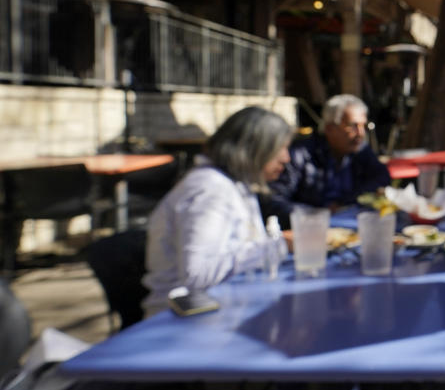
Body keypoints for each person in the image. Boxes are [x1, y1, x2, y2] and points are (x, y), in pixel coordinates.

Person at [141, 106, 292, 316]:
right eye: (279, 149)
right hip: (183, 320)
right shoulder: (210, 190)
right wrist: (279, 246)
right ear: (253, 149)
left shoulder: (235, 185)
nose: (286, 158)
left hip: (222, 308)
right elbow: (196, 275)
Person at [263, 94, 390, 228]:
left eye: (364, 126)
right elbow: (273, 201)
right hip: (308, 232)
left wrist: (344, 202)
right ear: (330, 128)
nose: (361, 133)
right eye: (353, 126)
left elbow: (382, 177)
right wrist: (318, 215)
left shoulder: (359, 150)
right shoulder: (300, 155)